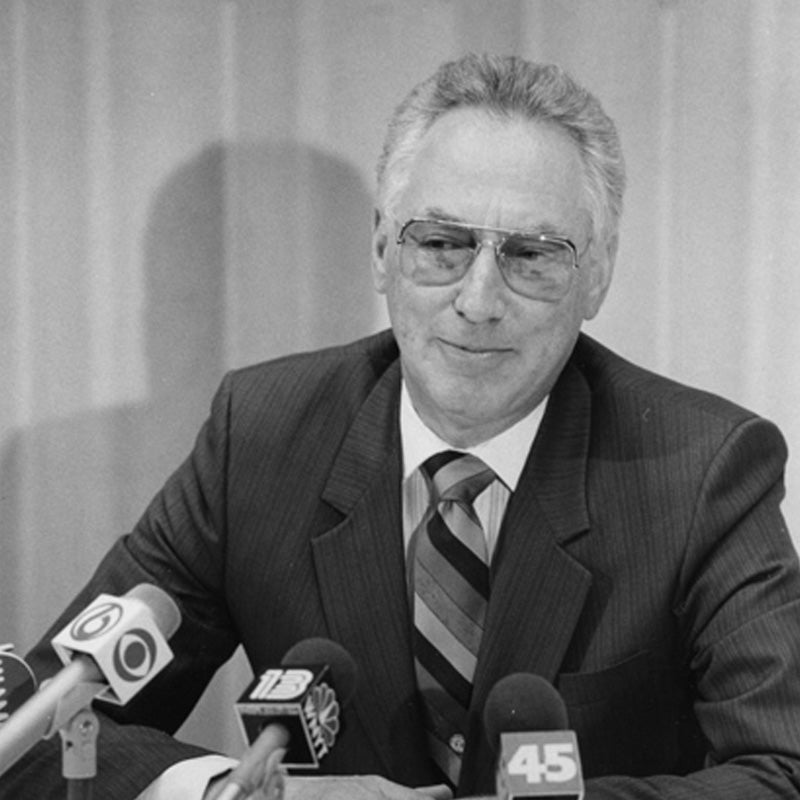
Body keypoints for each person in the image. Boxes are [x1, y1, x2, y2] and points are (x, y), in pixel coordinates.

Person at [2, 52, 800, 800]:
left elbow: (784, 768)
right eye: (441, 244)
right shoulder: (262, 440)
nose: (480, 299)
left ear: (595, 274)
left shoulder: (703, 470)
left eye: (532, 254)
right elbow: (34, 730)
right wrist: (238, 793)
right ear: (383, 249)